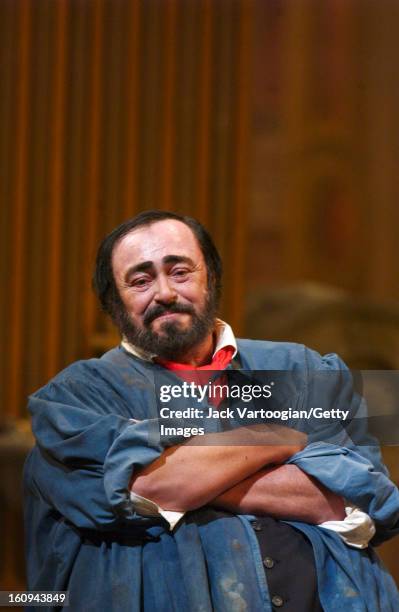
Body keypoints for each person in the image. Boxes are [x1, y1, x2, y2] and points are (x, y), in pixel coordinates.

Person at [24, 210, 399, 611]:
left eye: (180, 271)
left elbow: (368, 499)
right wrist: (274, 438)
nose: (165, 292)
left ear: (212, 278)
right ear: (114, 304)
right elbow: (144, 491)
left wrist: (188, 472)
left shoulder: (304, 371)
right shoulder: (77, 396)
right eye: (140, 280)